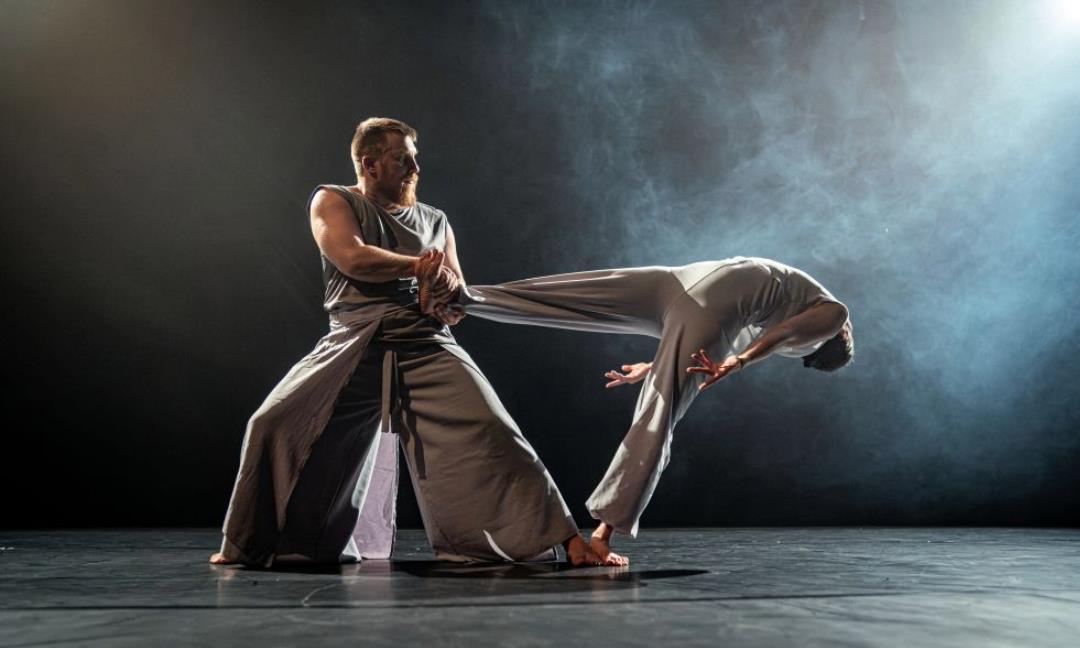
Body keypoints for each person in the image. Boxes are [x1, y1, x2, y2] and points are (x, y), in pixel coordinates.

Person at [212, 117, 605, 567]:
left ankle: (568, 541)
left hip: (425, 344)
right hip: (354, 343)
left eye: (414, 158)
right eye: (403, 159)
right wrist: (418, 266)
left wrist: (447, 295)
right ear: (370, 164)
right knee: (272, 422)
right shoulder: (333, 200)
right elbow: (352, 257)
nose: (415, 168)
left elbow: (456, 299)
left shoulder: (436, 220)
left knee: (497, 430)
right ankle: (251, 545)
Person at [421, 256, 853, 564]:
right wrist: (737, 363)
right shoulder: (835, 315)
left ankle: (461, 298)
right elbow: (779, 336)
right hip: (708, 304)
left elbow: (726, 330)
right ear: (836, 342)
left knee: (581, 294)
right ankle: (603, 536)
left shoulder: (801, 292)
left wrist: (654, 366)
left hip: (685, 280)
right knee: (657, 420)